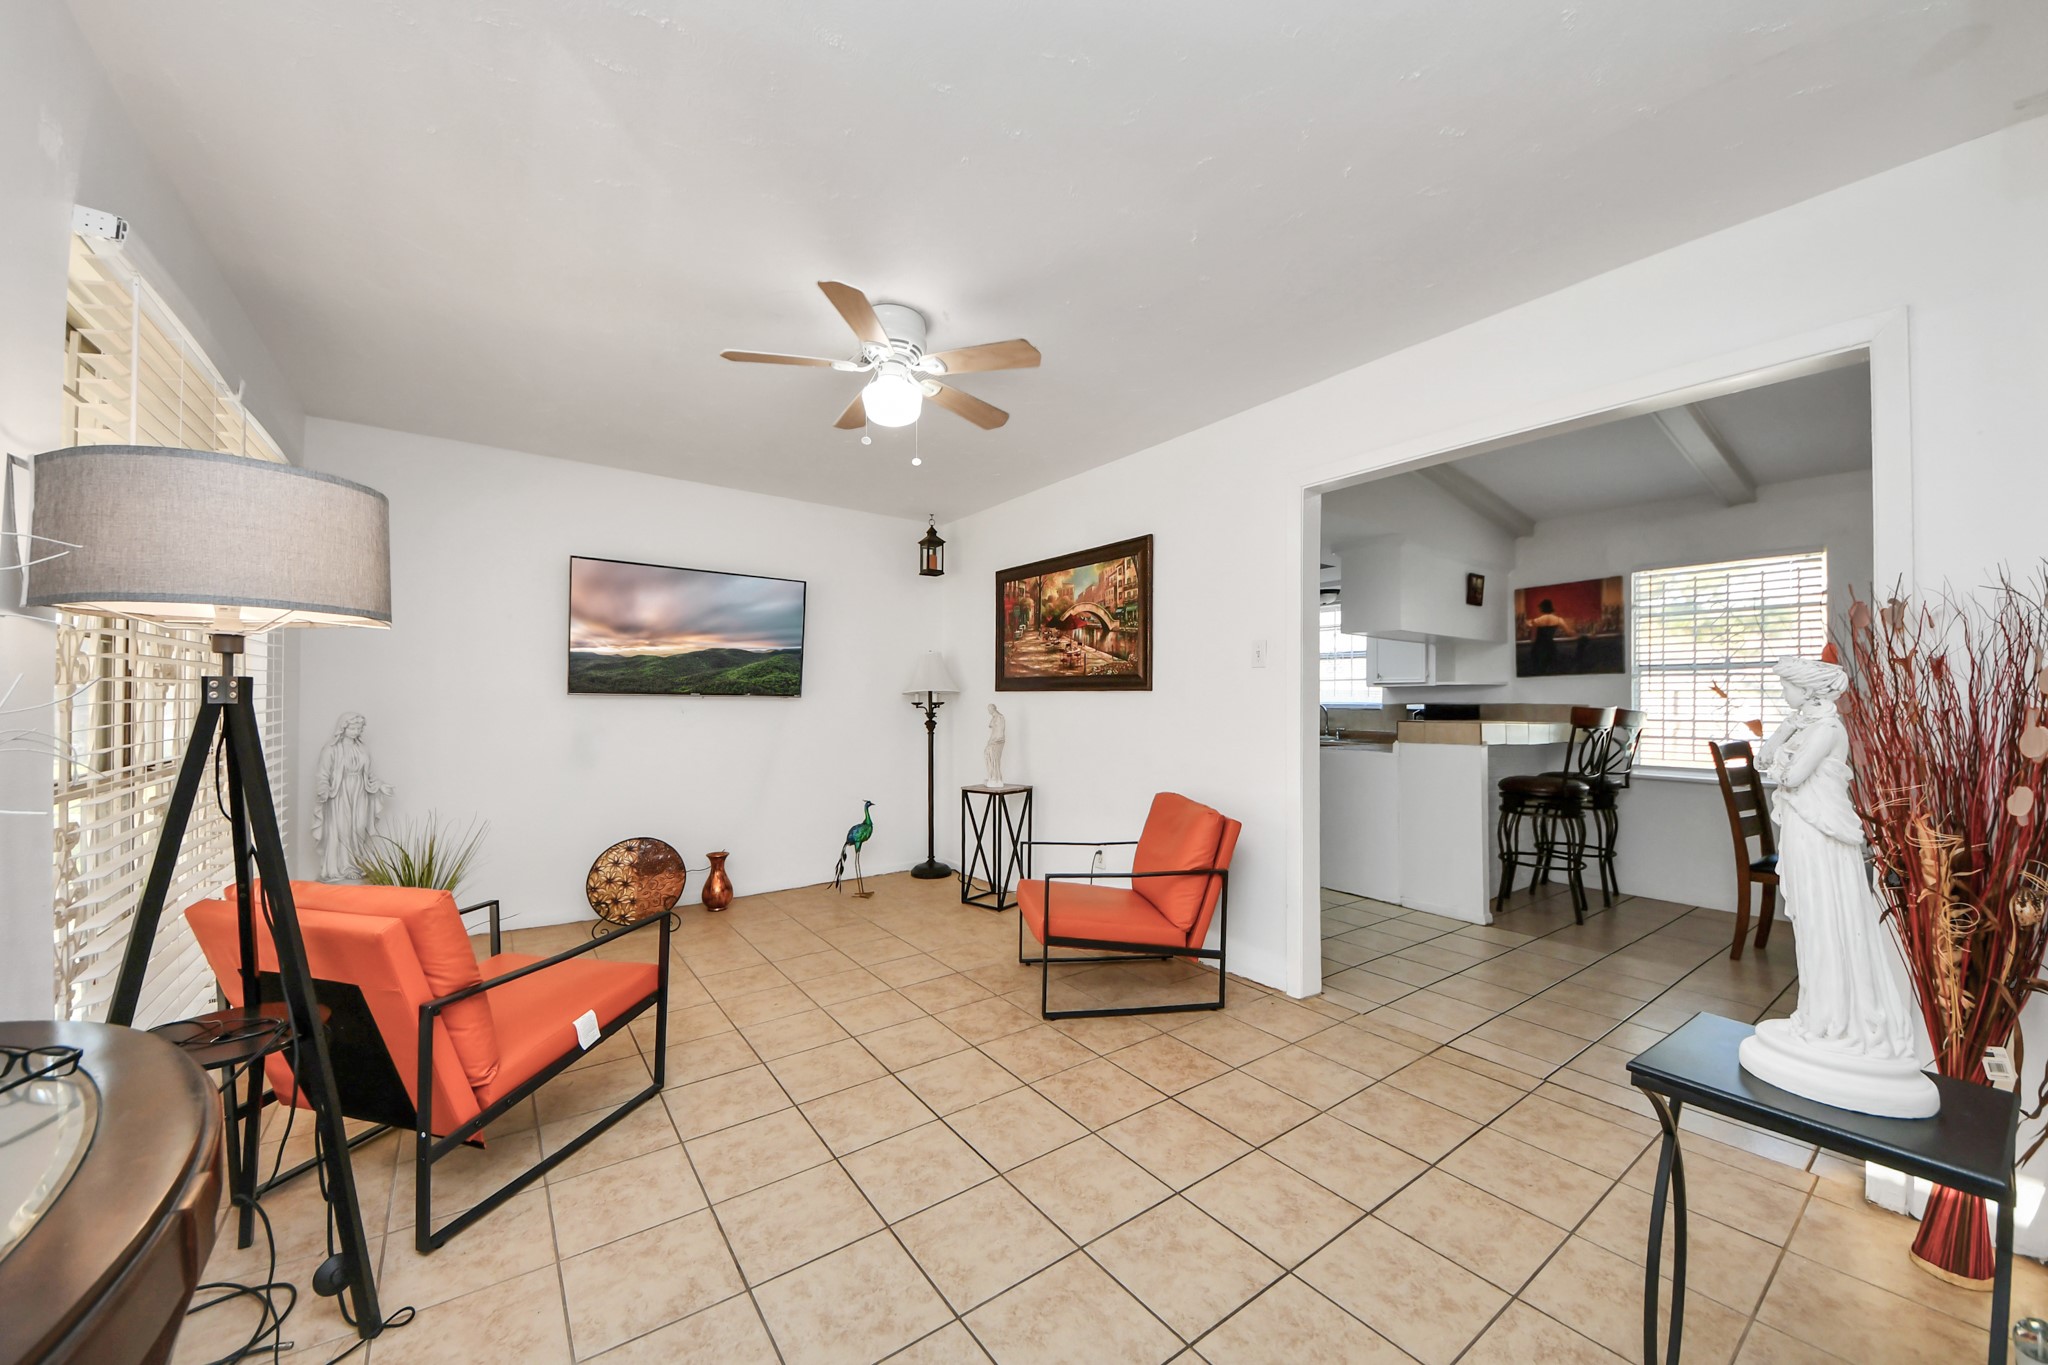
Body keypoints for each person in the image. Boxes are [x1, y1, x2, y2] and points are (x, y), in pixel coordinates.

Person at [1753, 656, 1918, 1060]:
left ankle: (1835, 1017)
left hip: (1820, 834)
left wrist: (1781, 758)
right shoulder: (1804, 726)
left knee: (1823, 917)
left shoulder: (1826, 729)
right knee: (1810, 921)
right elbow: (1764, 762)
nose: (1782, 693)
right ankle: (1816, 1012)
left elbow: (1790, 777)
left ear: (1807, 691)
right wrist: (1785, 730)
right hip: (1803, 829)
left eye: (1787, 686)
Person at [313, 712, 395, 880]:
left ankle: (356, 865)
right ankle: (342, 868)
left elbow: (370, 775)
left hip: (360, 792)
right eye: (353, 727)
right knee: (342, 830)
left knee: (358, 828)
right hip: (340, 794)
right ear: (343, 728)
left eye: (359, 728)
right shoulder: (331, 749)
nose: (356, 731)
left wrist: (381, 786)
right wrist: (324, 789)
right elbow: (322, 774)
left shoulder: (362, 749)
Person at [1526, 597, 1574, 674]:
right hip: (1550, 647)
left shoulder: (1536, 621)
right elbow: (1569, 633)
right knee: (1551, 670)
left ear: (1541, 609)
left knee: (1539, 671)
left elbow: (1533, 638)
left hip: (1538, 648)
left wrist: (1529, 626)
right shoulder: (1558, 619)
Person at [984, 704, 1008, 788]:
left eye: (990, 709)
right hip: (992, 740)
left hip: (997, 741)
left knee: (994, 759)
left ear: (993, 709)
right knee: (988, 755)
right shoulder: (994, 717)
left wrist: (995, 740)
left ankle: (996, 778)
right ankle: (992, 776)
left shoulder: (1000, 717)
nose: (989, 711)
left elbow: (1000, 732)